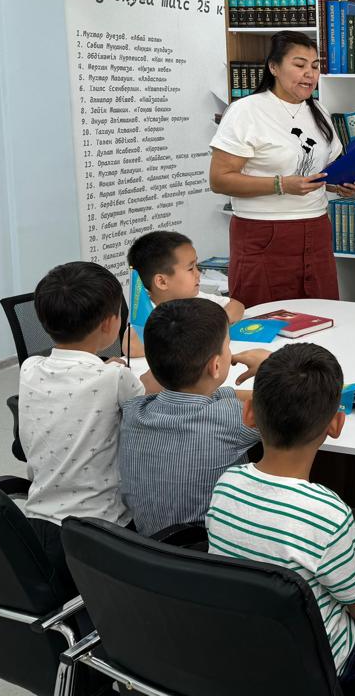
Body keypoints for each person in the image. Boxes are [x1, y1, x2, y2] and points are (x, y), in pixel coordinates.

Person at [208, 344, 355, 684]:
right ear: (336, 424)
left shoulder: (225, 486)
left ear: (249, 414)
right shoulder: (328, 515)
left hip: (242, 656)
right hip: (320, 672)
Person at [208, 31, 355, 307]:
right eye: (299, 65)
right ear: (274, 67)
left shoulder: (319, 110)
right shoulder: (246, 111)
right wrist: (281, 184)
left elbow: (322, 168)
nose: (309, 74)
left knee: (322, 314)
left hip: (316, 229)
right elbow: (220, 180)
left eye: (315, 66)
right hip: (262, 233)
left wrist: (338, 184)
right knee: (264, 317)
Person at [20, 262, 160, 533]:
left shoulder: (30, 368)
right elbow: (149, 395)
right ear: (109, 323)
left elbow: (78, 383)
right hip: (103, 530)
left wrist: (105, 367)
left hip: (39, 525)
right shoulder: (115, 378)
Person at [118, 299, 266, 536]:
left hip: (147, 548)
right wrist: (270, 366)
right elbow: (295, 401)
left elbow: (221, 396)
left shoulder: (135, 411)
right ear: (215, 366)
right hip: (209, 550)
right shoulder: (229, 417)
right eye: (228, 345)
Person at [123, 229, 245, 356]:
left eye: (196, 266)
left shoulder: (195, 297)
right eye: (191, 268)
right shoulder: (145, 310)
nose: (198, 273)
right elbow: (131, 346)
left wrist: (219, 320)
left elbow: (236, 306)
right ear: (162, 282)